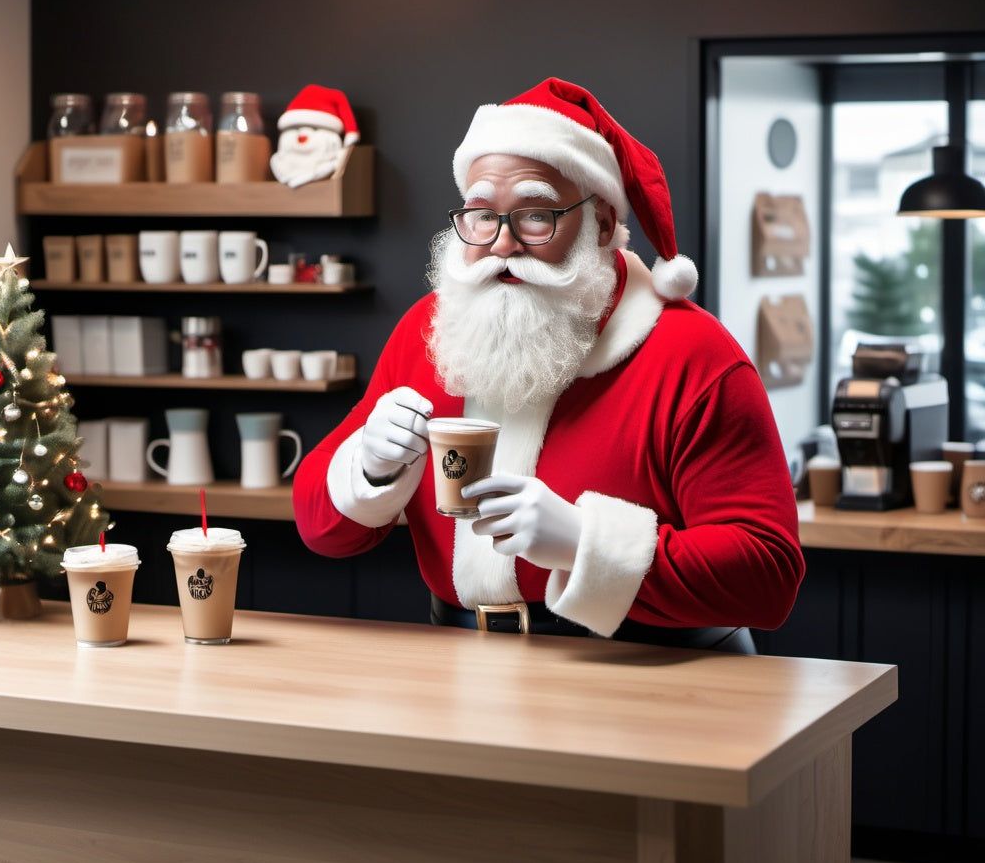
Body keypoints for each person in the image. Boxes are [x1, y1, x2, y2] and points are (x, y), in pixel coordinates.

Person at [293, 77, 804, 650]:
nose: (501, 243)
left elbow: (768, 577)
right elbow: (321, 531)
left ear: (603, 224)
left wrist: (586, 543)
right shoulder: (430, 329)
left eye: (535, 214)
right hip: (462, 663)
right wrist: (369, 470)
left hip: (652, 674)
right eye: (482, 214)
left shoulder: (692, 354)